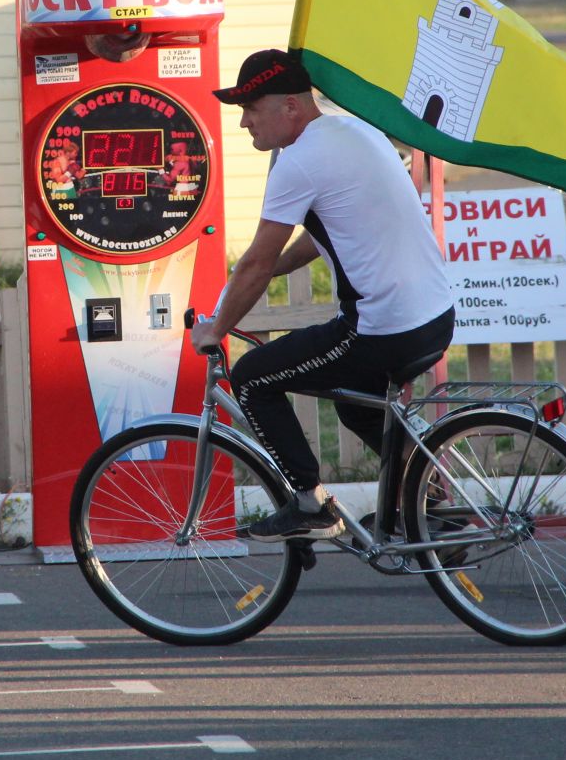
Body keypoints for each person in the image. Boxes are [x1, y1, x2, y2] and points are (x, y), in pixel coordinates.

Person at [191, 48, 456, 541]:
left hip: (383, 331)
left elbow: (256, 259)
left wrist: (216, 329)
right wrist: (272, 272)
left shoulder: (299, 162)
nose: (244, 122)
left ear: (291, 106)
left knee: (251, 377)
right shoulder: (355, 132)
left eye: (252, 108)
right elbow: (328, 229)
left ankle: (311, 505)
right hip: (434, 318)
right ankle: (431, 502)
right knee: (356, 403)